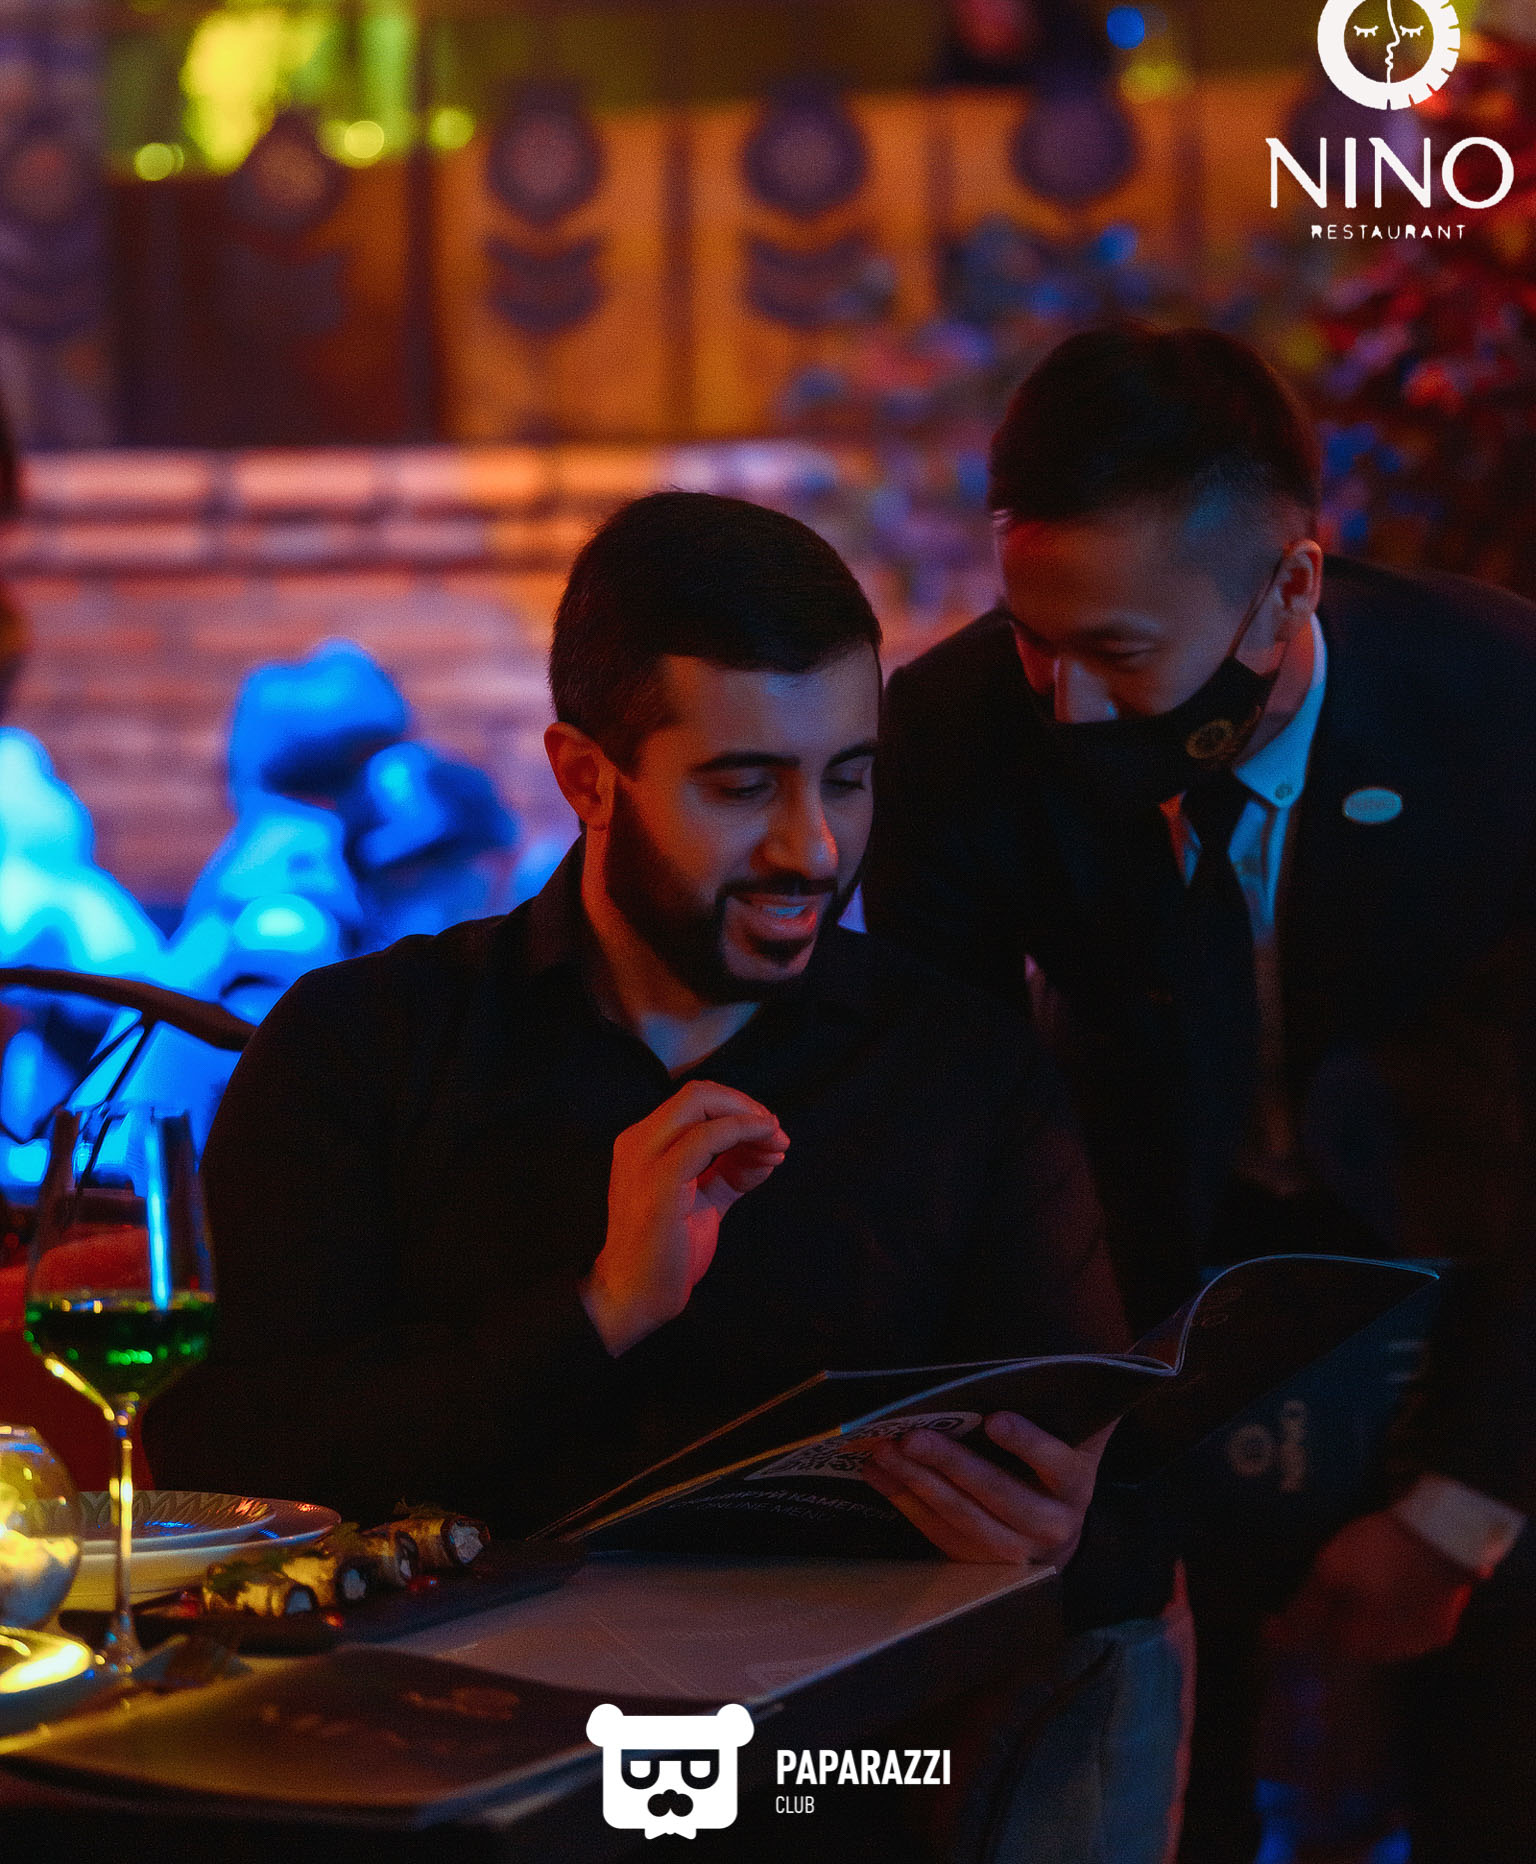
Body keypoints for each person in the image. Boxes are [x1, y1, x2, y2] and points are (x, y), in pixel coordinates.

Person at [148, 488, 1130, 1572]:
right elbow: (214, 1467)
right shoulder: (361, 1048)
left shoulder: (959, 1066)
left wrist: (1062, 1522)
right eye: (744, 788)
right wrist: (600, 1311)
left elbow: (1071, 1457)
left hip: (873, 1679)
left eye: (848, 780)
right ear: (587, 778)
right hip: (447, 1676)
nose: (812, 848)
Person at [862, 323, 1536, 1862]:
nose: (1068, 705)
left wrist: (1463, 1504)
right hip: (1153, 1293)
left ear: (1290, 586)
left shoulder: (1502, 709)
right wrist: (1047, 1443)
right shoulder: (957, 738)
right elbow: (959, 1130)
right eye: (1032, 637)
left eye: (1116, 653)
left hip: (1475, 1275)